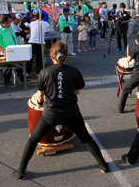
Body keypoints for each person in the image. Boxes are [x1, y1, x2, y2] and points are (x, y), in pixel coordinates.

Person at [11, 42, 109, 181]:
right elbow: (78, 91)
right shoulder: (75, 71)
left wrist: (40, 102)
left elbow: (40, 96)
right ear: (67, 55)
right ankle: (103, 165)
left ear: (51, 56)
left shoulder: (44, 72)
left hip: (50, 115)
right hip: (72, 113)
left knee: (33, 139)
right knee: (86, 138)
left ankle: (21, 171)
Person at [0, 15, 25, 87]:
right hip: (6, 51)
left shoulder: (10, 28)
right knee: (8, 66)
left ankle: (22, 78)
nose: (10, 23)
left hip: (14, 49)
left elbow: (13, 38)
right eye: (9, 22)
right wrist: (3, 51)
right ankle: (7, 81)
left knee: (18, 64)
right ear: (4, 23)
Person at [26, 12, 49, 77]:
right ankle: (39, 72)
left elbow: (29, 26)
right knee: (39, 58)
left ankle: (27, 72)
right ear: (43, 17)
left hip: (32, 41)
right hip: (40, 42)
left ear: (36, 17)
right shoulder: (46, 24)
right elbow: (48, 28)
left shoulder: (32, 23)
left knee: (30, 57)